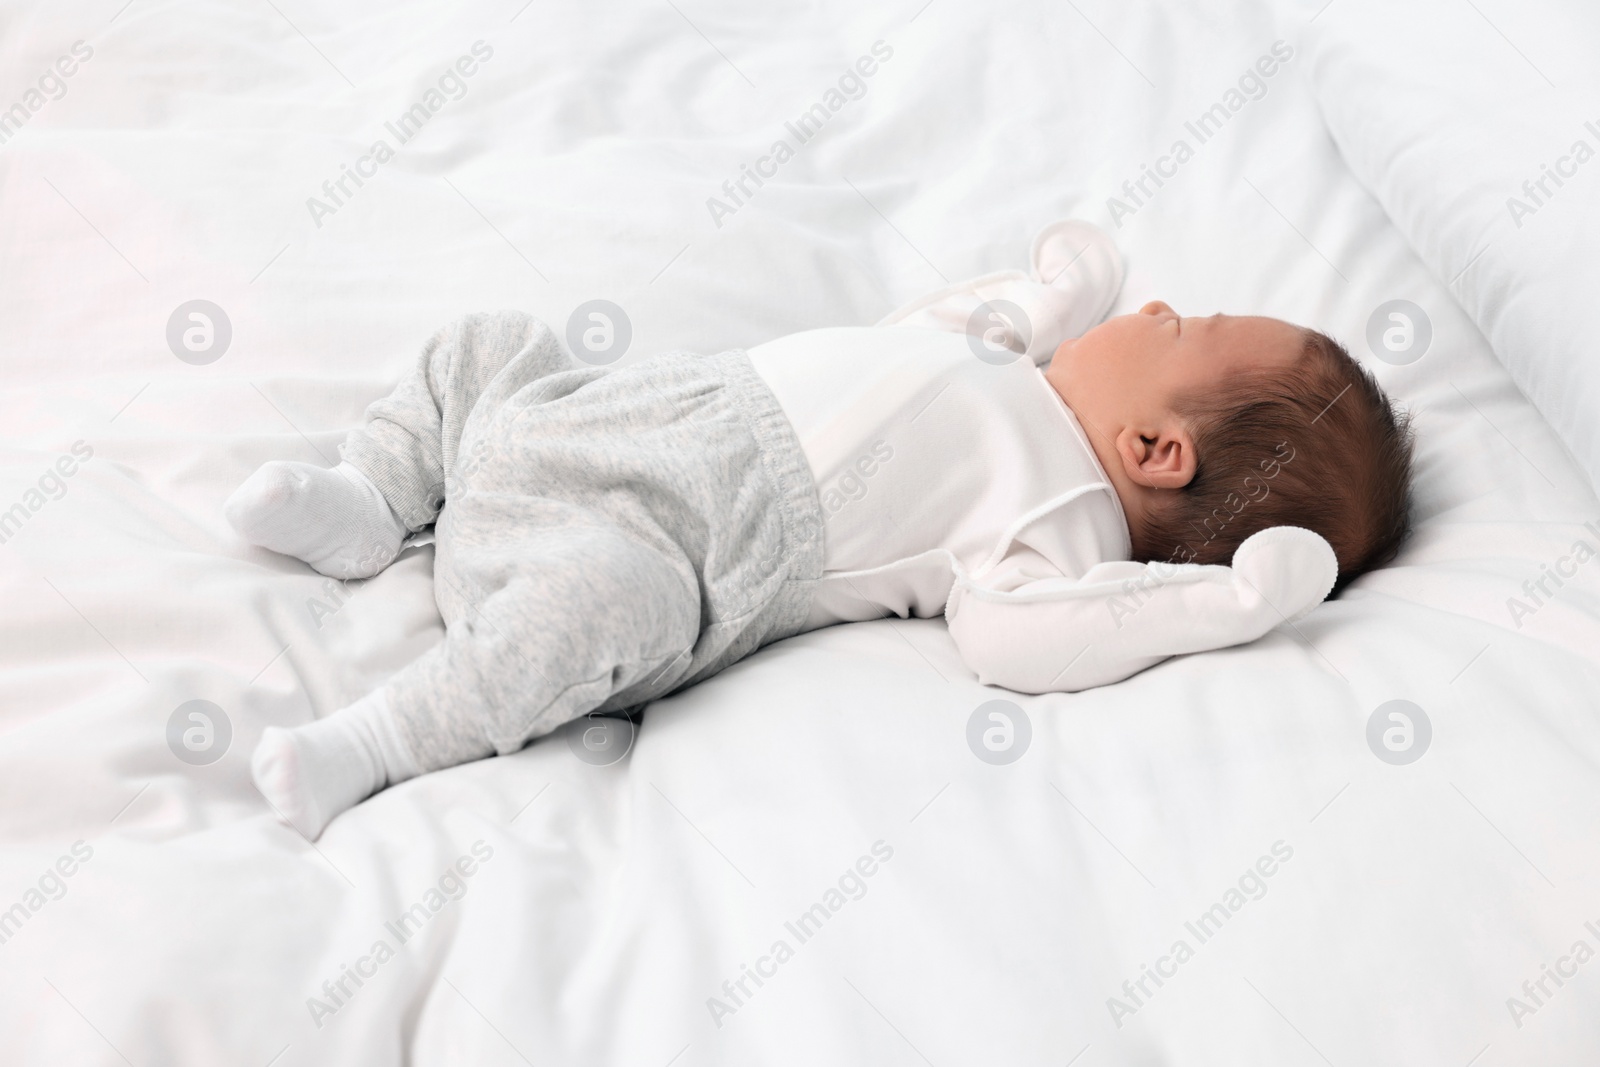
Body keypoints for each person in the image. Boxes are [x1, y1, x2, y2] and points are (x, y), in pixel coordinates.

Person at [223, 221, 1414, 838]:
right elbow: (946, 319)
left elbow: (1029, 637)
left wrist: (1228, 600)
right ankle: (378, 500)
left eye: (1182, 324)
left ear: (1159, 452)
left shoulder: (1057, 516)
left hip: (659, 547)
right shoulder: (1016, 367)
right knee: (486, 341)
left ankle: (373, 741)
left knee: (601, 602)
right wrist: (1059, 295)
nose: (1158, 304)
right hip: (593, 421)